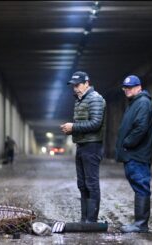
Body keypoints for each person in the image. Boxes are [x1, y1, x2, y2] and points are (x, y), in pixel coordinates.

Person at [60, 71, 106, 223]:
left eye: (78, 85)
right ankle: (84, 219)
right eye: (73, 85)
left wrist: (73, 127)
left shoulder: (95, 99)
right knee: (82, 184)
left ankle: (91, 221)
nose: (75, 88)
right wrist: (71, 130)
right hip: (82, 145)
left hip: (92, 146)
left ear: (87, 83)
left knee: (91, 183)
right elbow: (83, 124)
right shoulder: (80, 100)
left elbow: (95, 123)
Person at [115, 75, 152, 233]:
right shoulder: (135, 102)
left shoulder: (143, 102)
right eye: (125, 88)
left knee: (141, 186)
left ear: (139, 87)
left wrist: (127, 143)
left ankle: (141, 224)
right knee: (139, 186)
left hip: (137, 153)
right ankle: (139, 223)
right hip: (133, 153)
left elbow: (141, 127)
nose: (127, 90)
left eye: (130, 87)